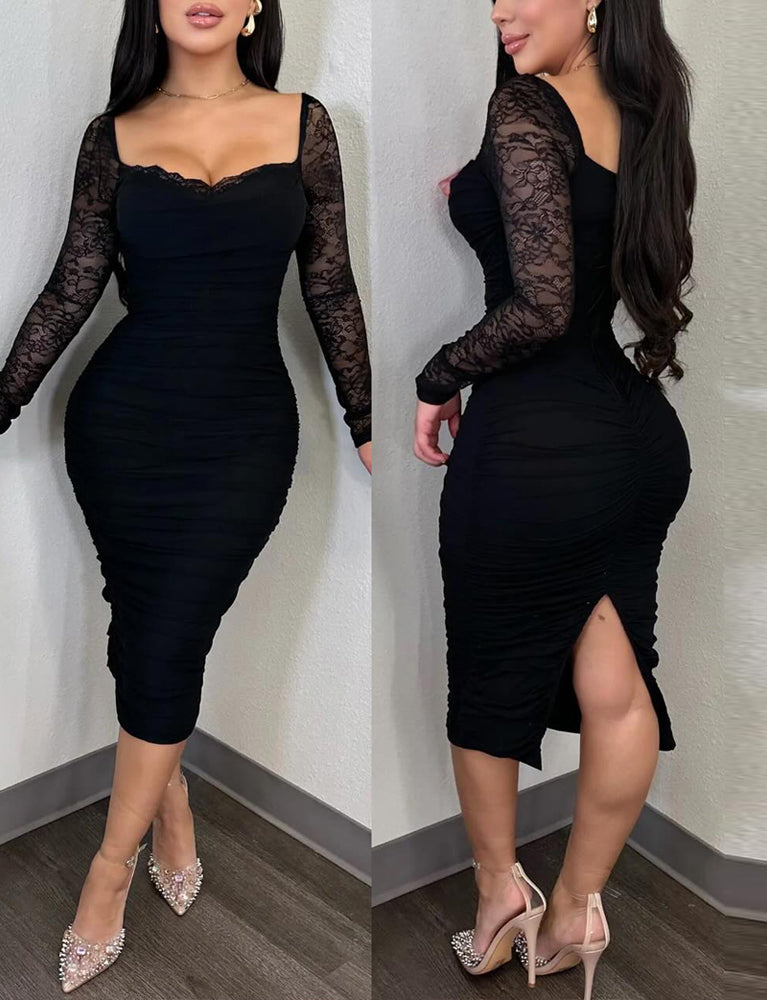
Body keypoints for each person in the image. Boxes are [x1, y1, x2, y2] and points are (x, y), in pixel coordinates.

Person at [0, 1, 370, 992]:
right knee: (143, 622)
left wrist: (368, 417)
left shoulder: (305, 125)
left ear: (254, 7)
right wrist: (2, 400)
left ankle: (107, 867)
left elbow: (330, 287)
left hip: (244, 436)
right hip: (120, 427)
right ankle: (165, 803)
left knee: (167, 636)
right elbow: (70, 290)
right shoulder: (112, 136)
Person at [413, 2, 695, 996]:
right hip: (633, 441)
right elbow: (581, 242)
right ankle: (575, 911)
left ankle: (501, 904)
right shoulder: (646, 109)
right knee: (616, 687)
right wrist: (482, 191)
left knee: (488, 684)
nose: (500, 7)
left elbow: (538, 306)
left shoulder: (527, 107)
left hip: (534, 448)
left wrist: (438, 374)